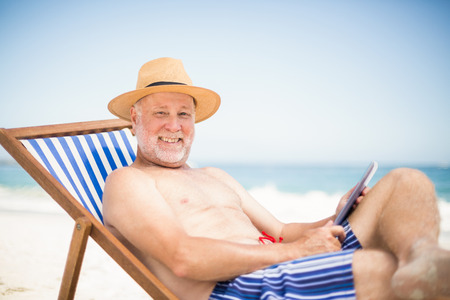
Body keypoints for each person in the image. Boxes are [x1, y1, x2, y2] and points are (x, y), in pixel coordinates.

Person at [103, 57, 450, 300]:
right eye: (160, 113)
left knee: (407, 181)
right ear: (134, 119)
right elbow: (183, 257)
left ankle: (421, 259)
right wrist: (295, 252)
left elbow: (281, 231)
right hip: (239, 289)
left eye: (184, 114)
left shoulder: (214, 175)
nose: (174, 126)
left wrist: (335, 218)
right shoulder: (127, 182)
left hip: (287, 263)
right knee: (380, 267)